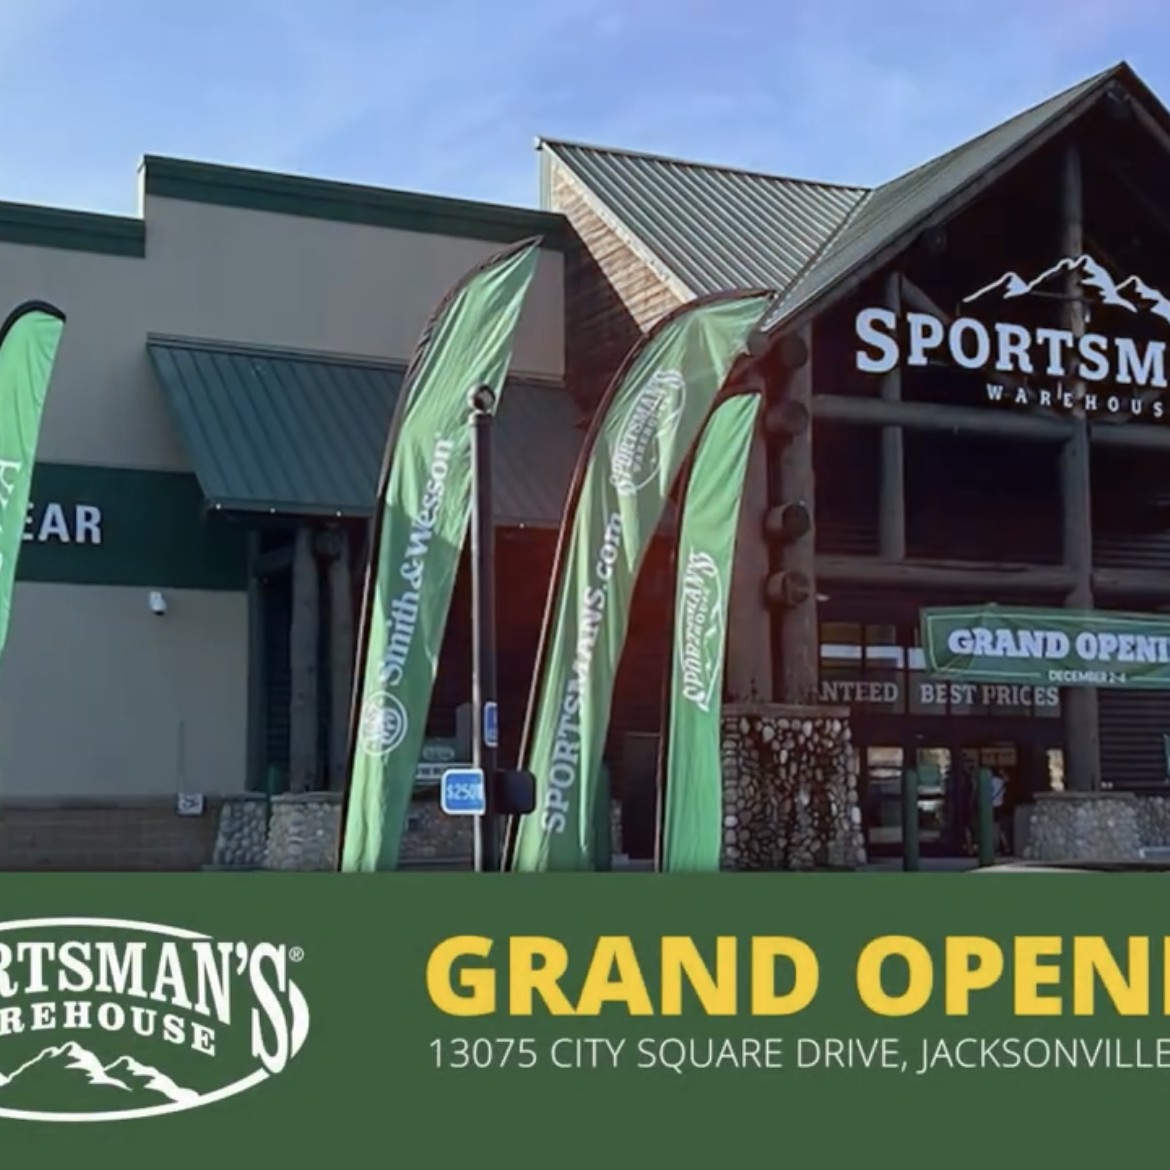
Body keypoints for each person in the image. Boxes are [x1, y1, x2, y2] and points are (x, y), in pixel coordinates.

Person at [991, 767, 1010, 854]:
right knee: (998, 827)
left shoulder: (990, 781)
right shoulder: (1001, 782)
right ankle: (1004, 845)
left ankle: (996, 845)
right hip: (1000, 805)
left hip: (991, 806)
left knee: (992, 827)